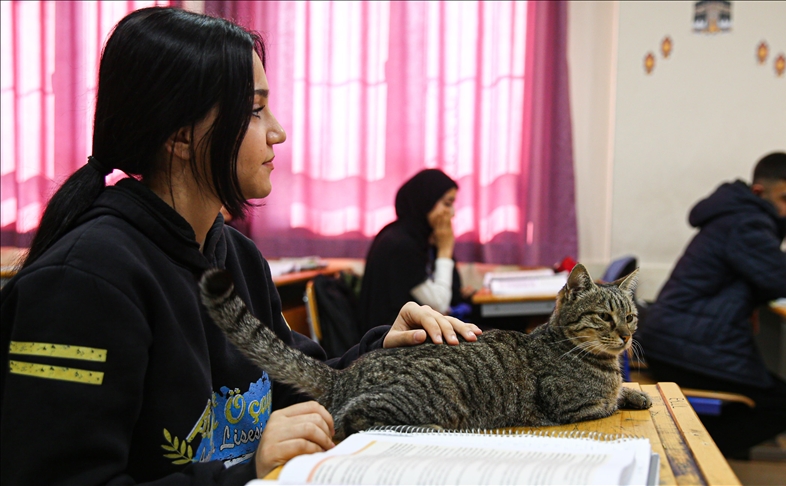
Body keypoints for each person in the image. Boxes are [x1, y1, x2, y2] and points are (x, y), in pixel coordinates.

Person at [0, 8, 481, 485]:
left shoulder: (235, 255)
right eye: (254, 110)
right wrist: (246, 467)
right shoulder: (83, 281)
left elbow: (295, 390)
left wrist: (383, 352)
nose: (278, 131)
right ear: (182, 135)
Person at [637, 152, 786, 460]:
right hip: (683, 347)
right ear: (759, 193)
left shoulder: (735, 217)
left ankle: (694, 447)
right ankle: (690, 454)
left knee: (775, 400)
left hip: (671, 338)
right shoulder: (747, 224)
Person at [357, 169, 474, 335]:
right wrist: (445, 250)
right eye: (447, 204)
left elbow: (452, 294)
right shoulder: (401, 244)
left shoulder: (419, 237)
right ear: (425, 202)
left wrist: (442, 248)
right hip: (390, 343)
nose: (452, 213)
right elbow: (439, 304)